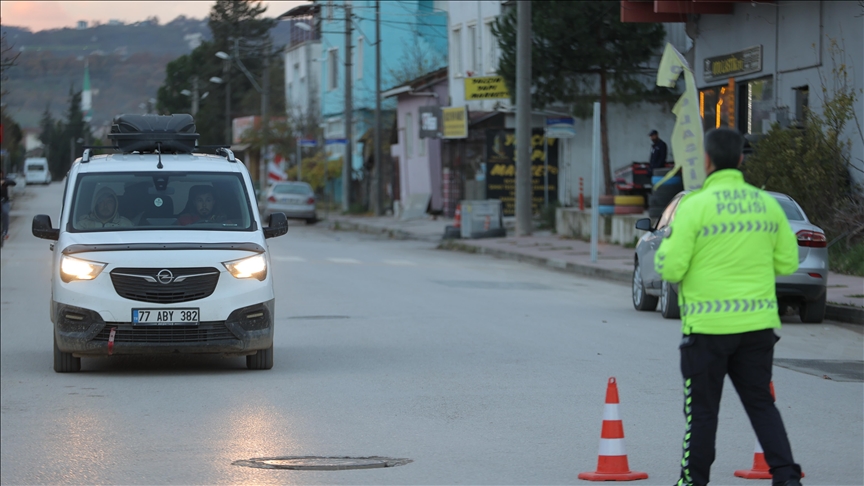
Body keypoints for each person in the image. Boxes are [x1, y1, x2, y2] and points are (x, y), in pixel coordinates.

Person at [655, 128, 802, 486]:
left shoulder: (694, 206)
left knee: (703, 414)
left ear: (706, 161)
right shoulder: (766, 204)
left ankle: (693, 482)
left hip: (707, 330)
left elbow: (671, 267)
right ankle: (787, 478)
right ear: (740, 159)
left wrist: (665, 252)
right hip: (757, 329)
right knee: (761, 405)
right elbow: (788, 262)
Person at [1, 170, 18, 243]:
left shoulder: (5, 180)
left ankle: (5, 232)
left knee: (5, 213)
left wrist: (5, 182)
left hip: (4, 201)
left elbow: (13, 182)